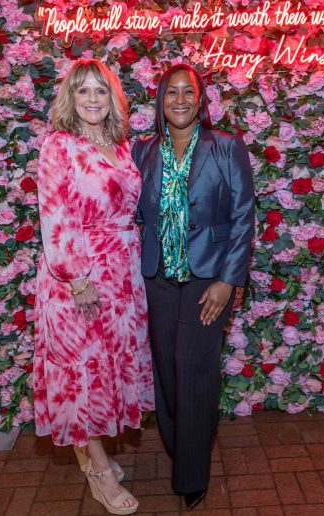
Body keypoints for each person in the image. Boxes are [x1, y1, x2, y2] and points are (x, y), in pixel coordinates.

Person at [34, 58, 154, 515]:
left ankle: (92, 453)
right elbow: (55, 215)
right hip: (79, 277)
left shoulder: (121, 147)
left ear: (113, 98)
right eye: (81, 91)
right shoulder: (58, 146)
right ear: (70, 97)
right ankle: (100, 473)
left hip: (122, 274)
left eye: (100, 91)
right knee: (81, 373)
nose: (91, 99)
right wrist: (76, 277)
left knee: (107, 367)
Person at [132, 63, 255, 510]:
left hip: (208, 280)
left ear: (200, 100)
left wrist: (228, 280)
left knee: (194, 368)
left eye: (189, 92)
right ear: (161, 101)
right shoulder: (142, 151)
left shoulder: (225, 147)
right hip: (157, 278)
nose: (180, 100)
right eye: (171, 93)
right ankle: (181, 448)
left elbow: (243, 216)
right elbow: (136, 214)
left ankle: (192, 475)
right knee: (166, 370)